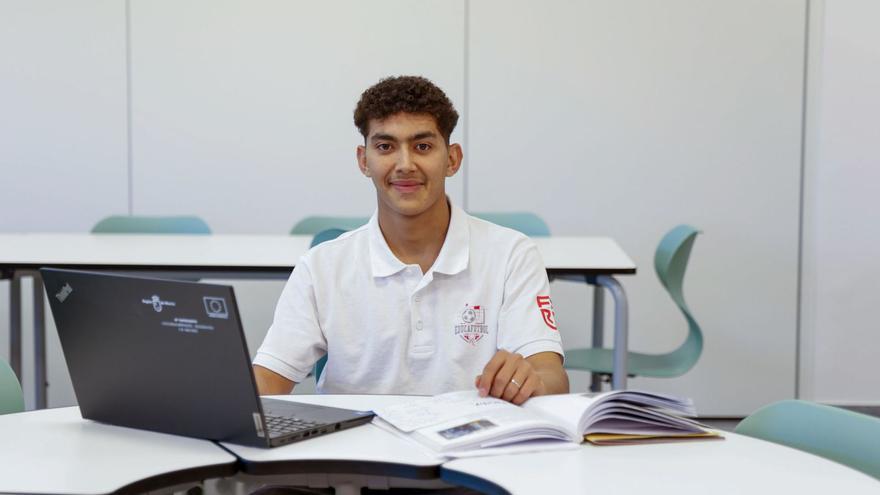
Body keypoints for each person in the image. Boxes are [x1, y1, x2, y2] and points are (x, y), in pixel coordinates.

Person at [253, 76, 568, 404]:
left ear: (452, 159)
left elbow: (550, 374)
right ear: (364, 160)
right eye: (385, 147)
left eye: (423, 146)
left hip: (471, 448)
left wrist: (531, 381)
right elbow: (267, 379)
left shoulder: (511, 255)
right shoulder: (321, 267)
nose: (405, 165)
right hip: (357, 452)